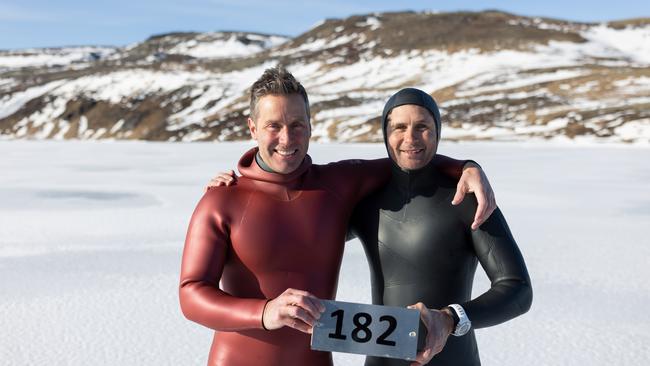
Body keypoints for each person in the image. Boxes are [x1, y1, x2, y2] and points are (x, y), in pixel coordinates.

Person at [180, 66, 495, 366]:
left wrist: (467, 167)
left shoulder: (338, 185)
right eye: (273, 126)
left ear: (311, 125)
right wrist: (265, 312)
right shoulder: (222, 200)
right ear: (253, 128)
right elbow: (191, 294)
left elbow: (407, 156)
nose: (287, 139)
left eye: (297, 125)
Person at [349, 88, 532, 366]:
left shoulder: (468, 199)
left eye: (422, 126)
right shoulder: (366, 203)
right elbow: (308, 240)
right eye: (399, 127)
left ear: (437, 132)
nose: (410, 138)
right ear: (385, 134)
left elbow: (518, 289)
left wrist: (449, 318)